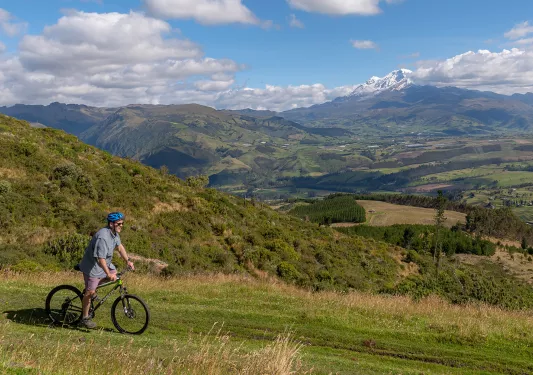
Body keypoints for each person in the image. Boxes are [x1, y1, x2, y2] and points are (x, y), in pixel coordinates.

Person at [78, 212, 135, 329]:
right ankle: (84, 317)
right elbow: (100, 259)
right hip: (93, 267)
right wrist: (108, 274)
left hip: (105, 264)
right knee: (89, 293)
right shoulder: (103, 237)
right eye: (119, 223)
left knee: (115, 275)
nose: (121, 225)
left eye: (122, 223)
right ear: (111, 224)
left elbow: (119, 247)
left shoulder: (114, 233)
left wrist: (128, 261)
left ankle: (92, 289)